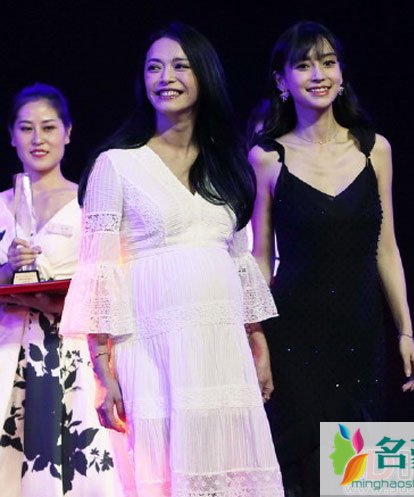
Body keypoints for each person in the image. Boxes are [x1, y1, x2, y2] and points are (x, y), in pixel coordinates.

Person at [59, 22, 284, 497]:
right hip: (152, 352)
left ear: (204, 75)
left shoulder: (226, 164)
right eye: (154, 67)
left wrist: (257, 338)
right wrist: (102, 371)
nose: (166, 77)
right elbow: (99, 274)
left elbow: (238, 261)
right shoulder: (116, 164)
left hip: (222, 351)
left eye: (180, 66)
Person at [248, 21, 414, 496]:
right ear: (282, 81)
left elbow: (387, 248)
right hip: (293, 334)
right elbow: (260, 258)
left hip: (358, 333)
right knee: (301, 462)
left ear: (342, 74)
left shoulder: (374, 150)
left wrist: (405, 331)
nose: (318, 74)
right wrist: (255, 335)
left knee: (353, 468)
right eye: (303, 65)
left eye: (327, 62)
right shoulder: (267, 158)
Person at [0, 84, 129, 496]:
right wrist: (8, 270)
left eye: (49, 127)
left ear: (68, 132)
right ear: (11, 135)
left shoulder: (88, 204)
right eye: (26, 128)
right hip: (6, 348)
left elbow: (110, 283)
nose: (37, 139)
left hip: (71, 352)